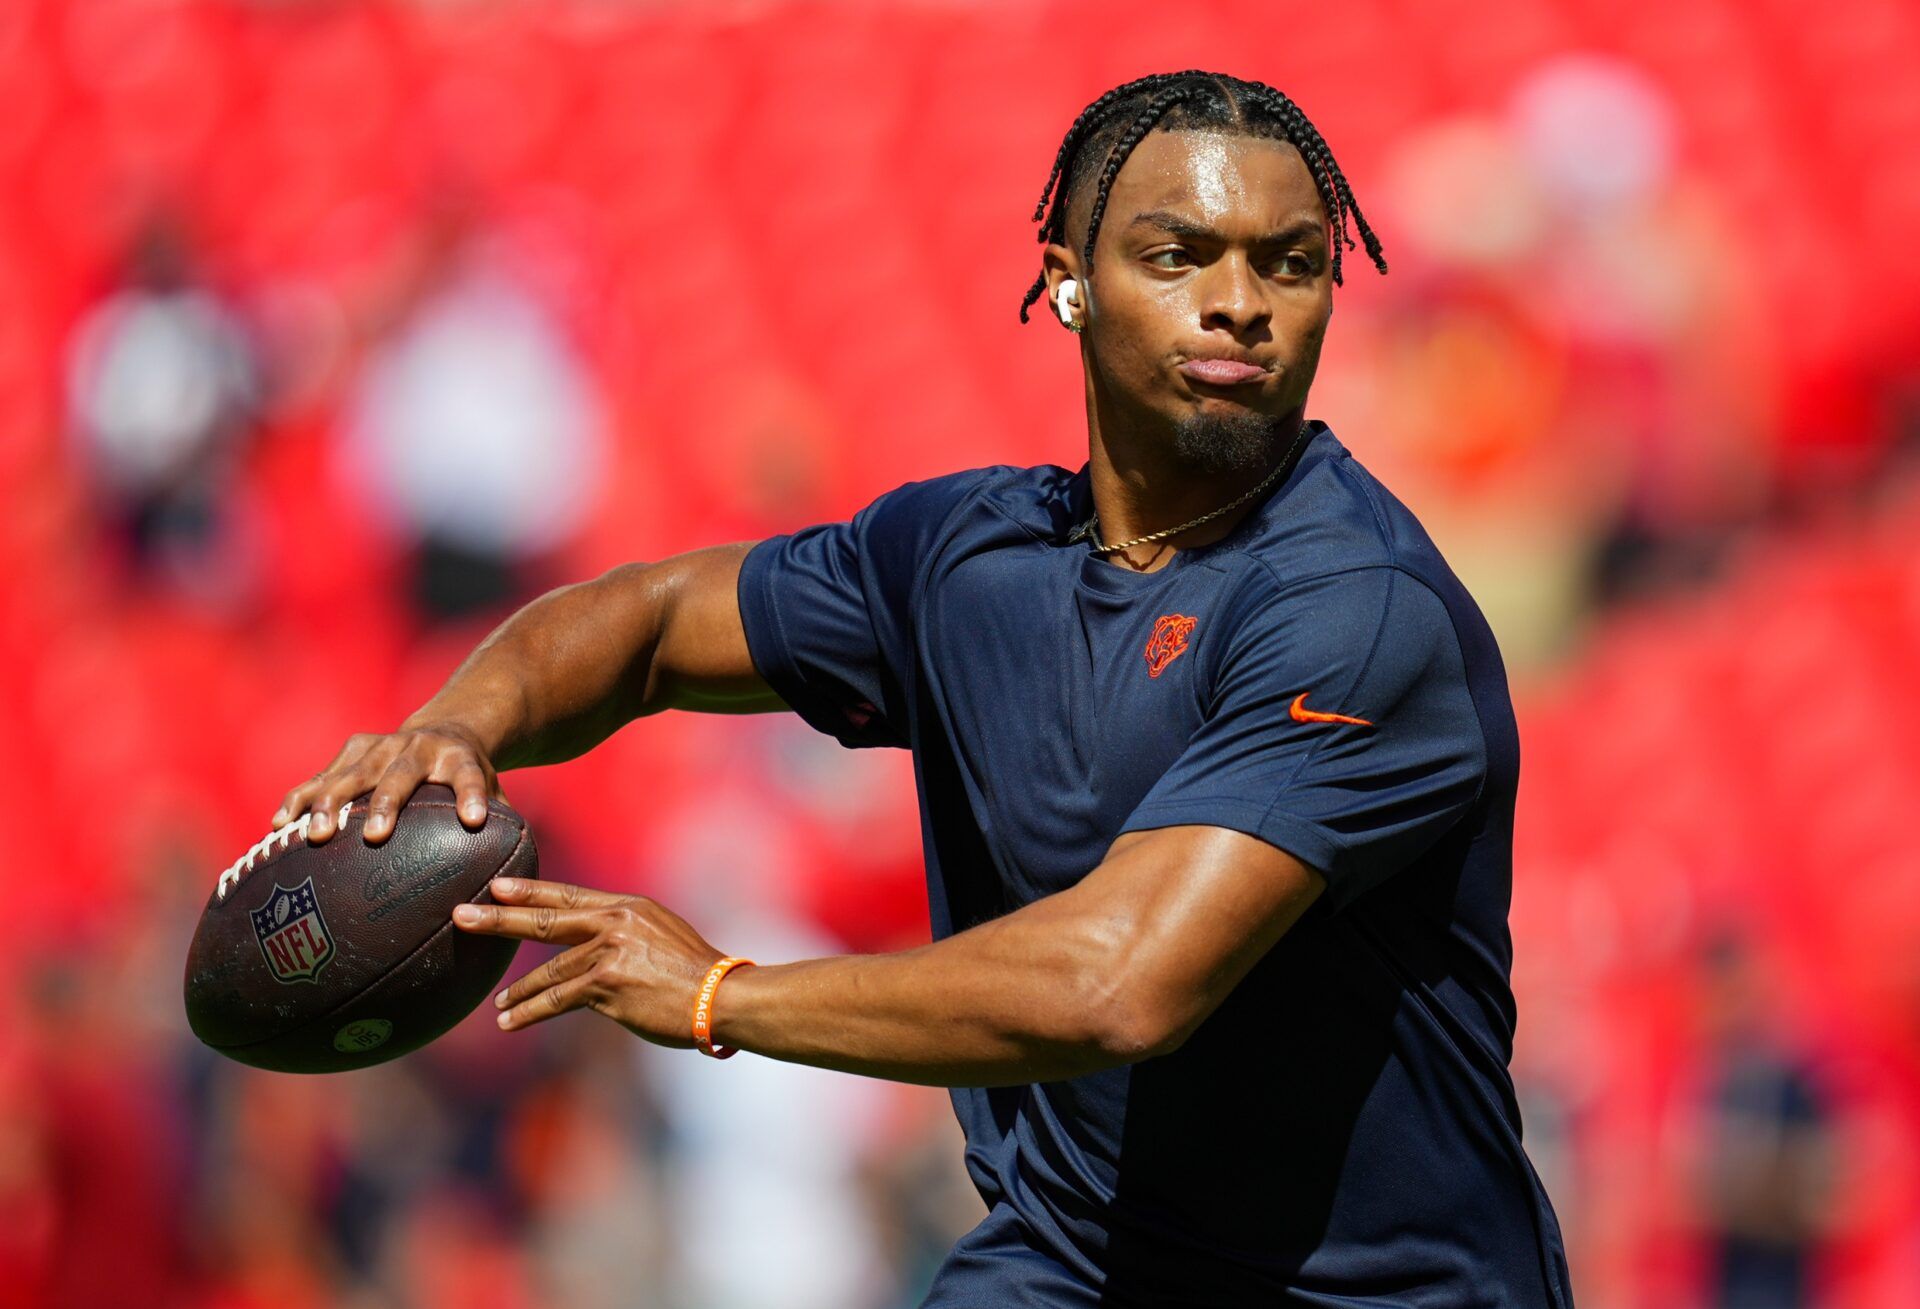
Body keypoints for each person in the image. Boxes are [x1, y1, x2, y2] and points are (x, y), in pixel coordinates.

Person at [272, 71, 1574, 1307]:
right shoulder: (971, 563)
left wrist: (724, 994)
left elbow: (1123, 979)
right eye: (1180, 254)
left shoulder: (1356, 610)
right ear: (1068, 287)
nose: (1240, 300)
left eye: (1288, 262)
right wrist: (455, 725)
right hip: (1068, 1271)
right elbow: (655, 621)